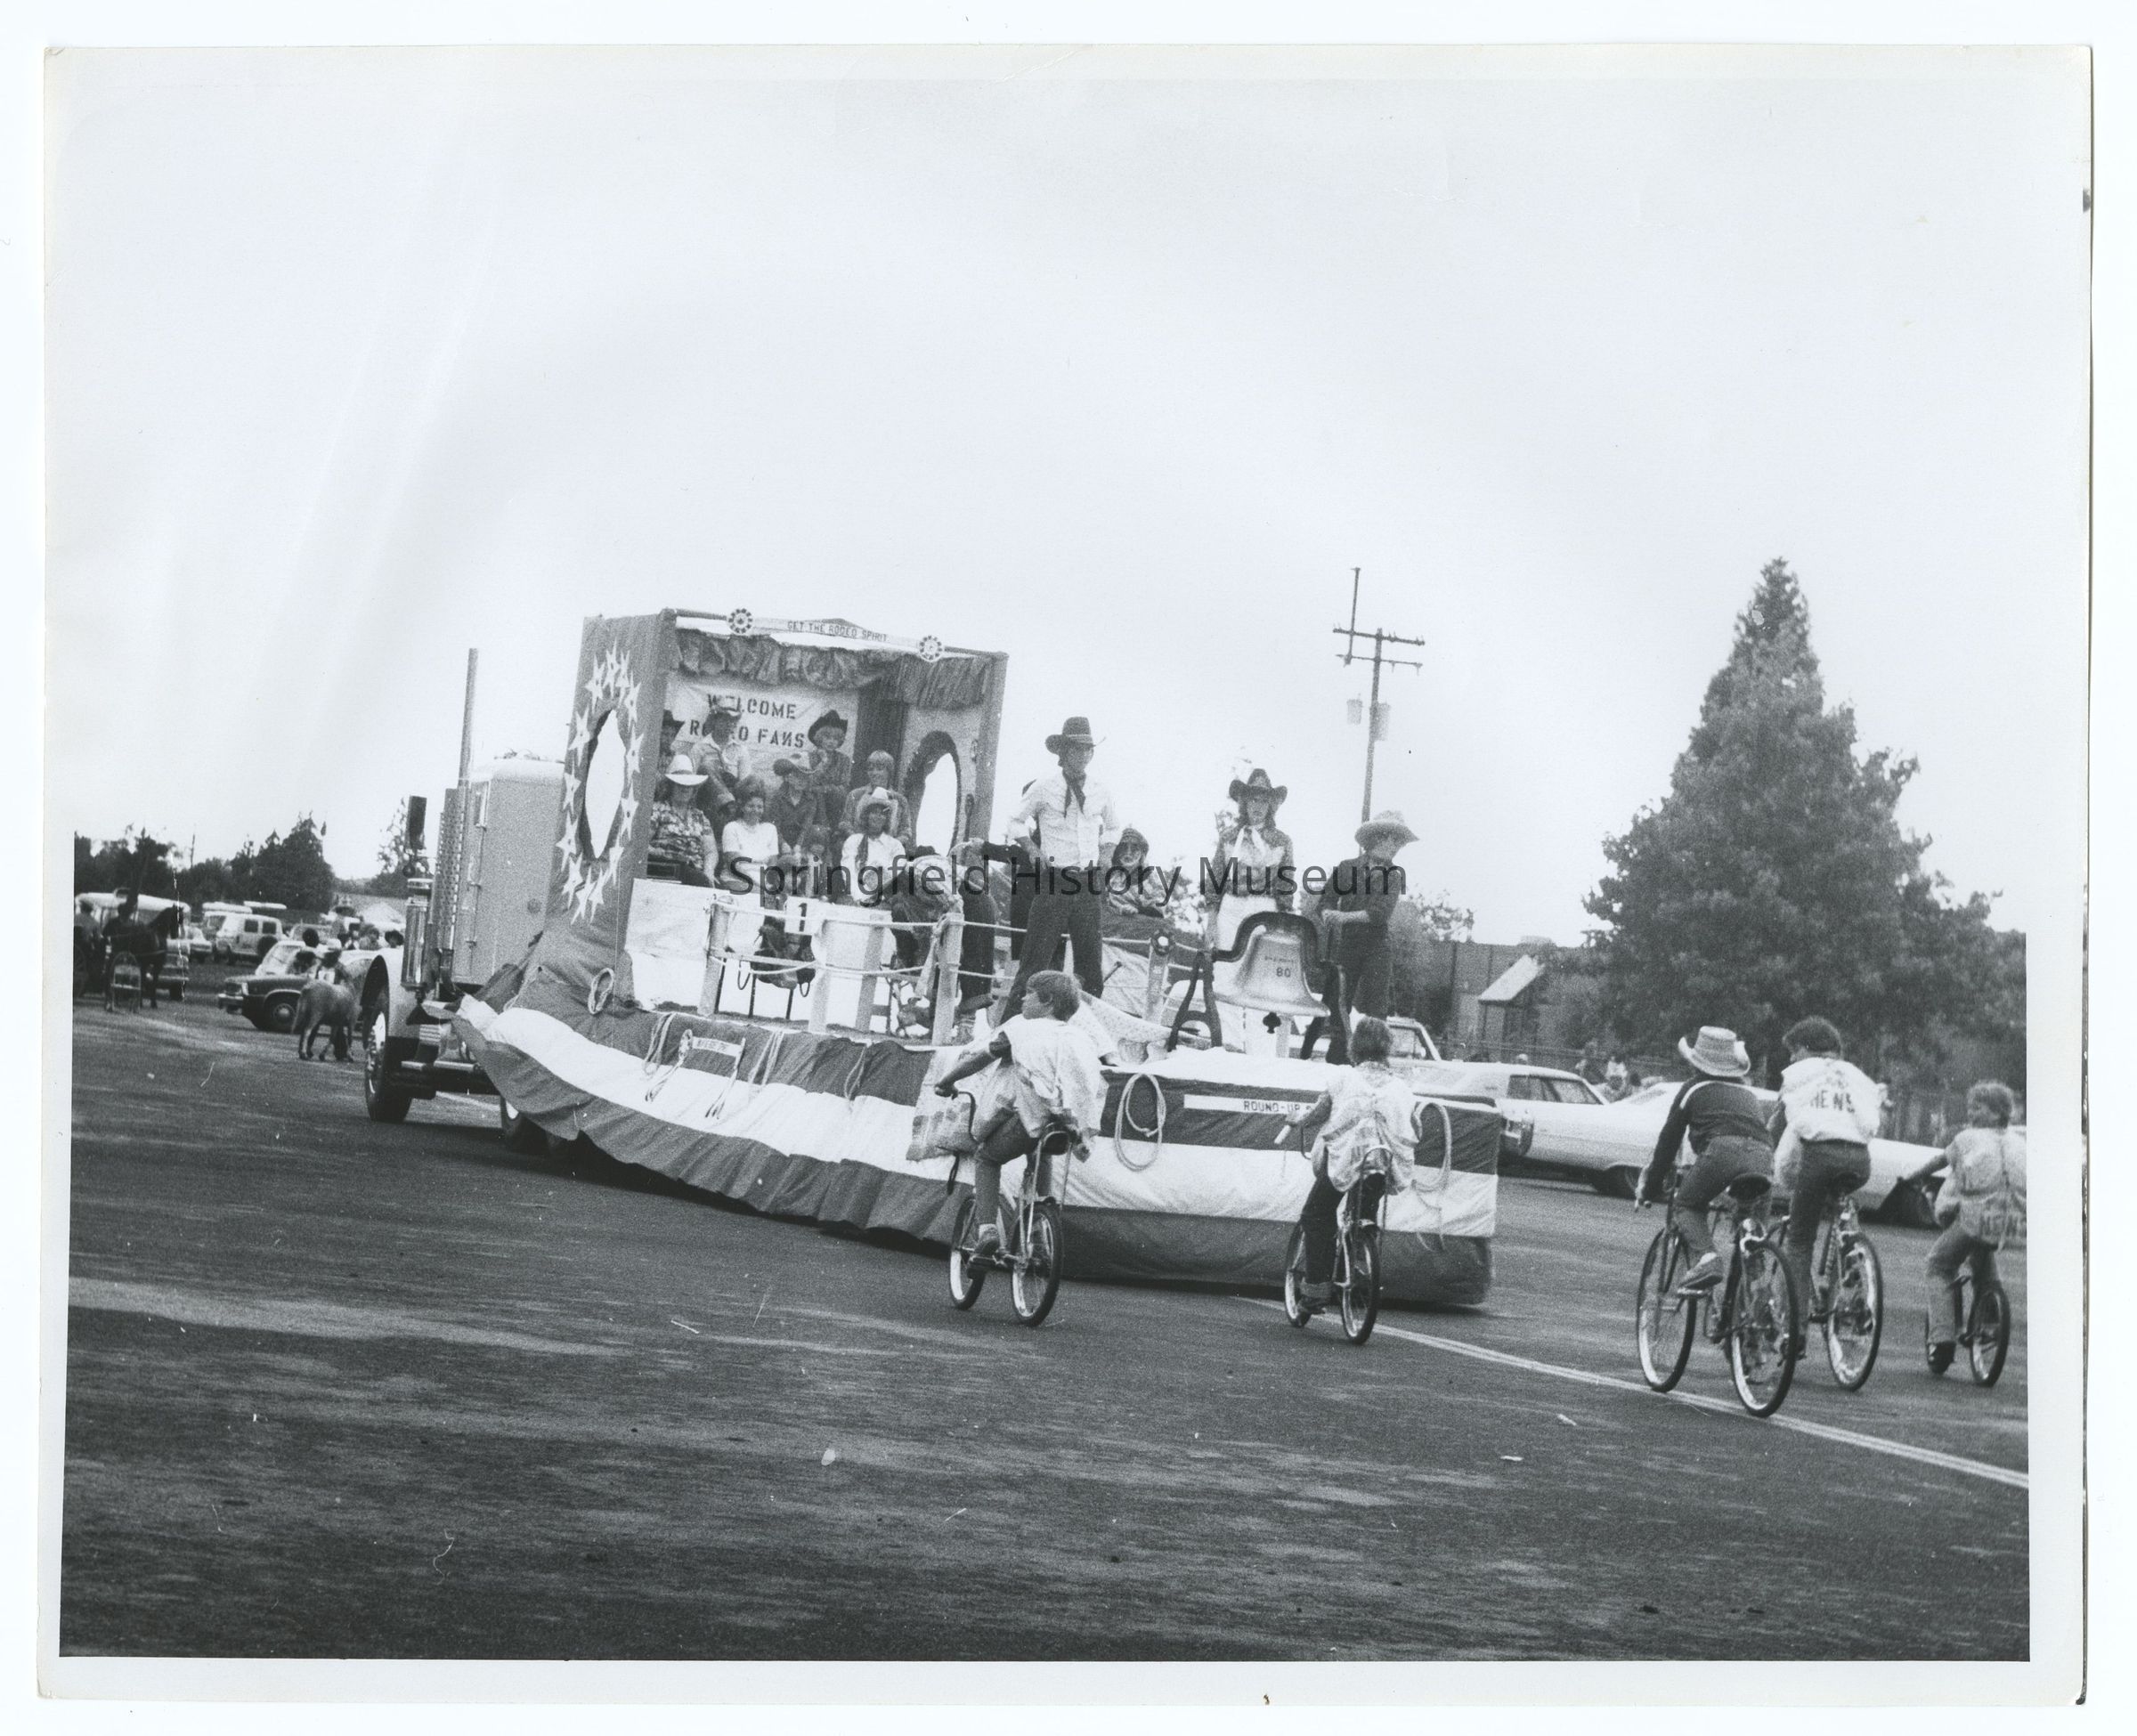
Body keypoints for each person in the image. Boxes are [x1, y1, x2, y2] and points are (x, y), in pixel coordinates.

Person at [931, 970, 1107, 1259]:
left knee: (987, 1158)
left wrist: (947, 1081)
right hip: (1069, 1128)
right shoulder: (1082, 1038)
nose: (1022, 998)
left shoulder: (1021, 1028)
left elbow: (979, 1059)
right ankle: (1038, 1227)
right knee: (1040, 1152)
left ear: (1047, 1001)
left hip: (1029, 1122)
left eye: (1029, 993)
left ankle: (987, 1231)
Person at [1279, 1017, 1418, 1312]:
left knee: (1317, 1215)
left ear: (1355, 1048)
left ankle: (1316, 1290)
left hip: (1344, 1162)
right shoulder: (1401, 1088)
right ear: (1386, 1049)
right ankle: (1352, 1270)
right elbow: (1414, 1126)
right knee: (1363, 1215)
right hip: (1381, 1164)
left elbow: (1318, 1113)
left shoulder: (1343, 1077)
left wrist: (1297, 1121)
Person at [1768, 1016, 1882, 1344]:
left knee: (1800, 1241)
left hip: (1819, 1158)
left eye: (1794, 1050)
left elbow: (1779, 1126)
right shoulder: (1858, 1076)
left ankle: (1795, 1330)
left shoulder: (1799, 1075)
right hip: (1859, 1159)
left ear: (1806, 1048)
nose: (1792, 1058)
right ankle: (1850, 1273)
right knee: (1841, 1215)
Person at [1636, 1026, 1774, 1294]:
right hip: (1763, 1153)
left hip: (1722, 1151)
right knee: (1750, 1231)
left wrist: (1651, 1187)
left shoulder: (1693, 1088)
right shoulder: (1747, 1093)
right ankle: (1753, 1293)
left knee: (1687, 1205)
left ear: (1695, 1063)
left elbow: (1668, 1143)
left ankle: (1707, 1258)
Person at [1905, 1081, 2026, 1373]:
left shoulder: (1967, 1138)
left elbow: (1939, 1161)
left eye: (1978, 1108)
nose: (1971, 1113)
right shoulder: (2019, 1142)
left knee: (1938, 1265)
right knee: (1983, 1264)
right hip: (2013, 1222)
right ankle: (1991, 1319)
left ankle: (1942, 1337)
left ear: (1998, 1113)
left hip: (1976, 1218)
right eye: (1970, 1107)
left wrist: (1913, 1176)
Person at [1003, 717, 1118, 1016]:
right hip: (1055, 880)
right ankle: (1007, 1030)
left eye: (1088, 749)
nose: (1084, 755)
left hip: (1088, 883)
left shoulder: (1100, 789)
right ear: (1064, 751)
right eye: (1078, 749)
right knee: (1034, 963)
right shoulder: (1044, 786)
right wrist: (1032, 849)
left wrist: (1107, 852)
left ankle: (1085, 1033)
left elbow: (1113, 827)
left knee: (1090, 968)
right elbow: (1014, 821)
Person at [1320, 810, 1416, 1020]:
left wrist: (1343, 917)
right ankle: (1336, 1042)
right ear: (1377, 837)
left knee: (1376, 1008)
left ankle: (1375, 1042)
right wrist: (1327, 912)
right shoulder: (1346, 867)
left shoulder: (1394, 876)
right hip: (1347, 944)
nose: (1396, 846)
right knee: (1338, 1001)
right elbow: (1327, 898)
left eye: (1399, 842)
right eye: (1392, 839)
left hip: (1377, 947)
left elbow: (1379, 914)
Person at [1207, 768, 1296, 951]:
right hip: (1232, 909)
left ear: (1271, 806)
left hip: (1265, 910)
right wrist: (1212, 923)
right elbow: (1215, 881)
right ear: (1245, 802)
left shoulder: (1282, 841)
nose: (1258, 806)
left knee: (1260, 964)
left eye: (1264, 801)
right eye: (1254, 800)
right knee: (1225, 962)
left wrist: (1283, 924)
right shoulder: (1229, 837)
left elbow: (1286, 887)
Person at [646, 751, 715, 885]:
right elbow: (642, 843)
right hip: (665, 869)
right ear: (671, 786)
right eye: (680, 784)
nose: (685, 789)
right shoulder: (657, 810)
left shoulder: (700, 817)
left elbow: (711, 851)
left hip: (696, 872)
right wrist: (655, 851)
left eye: (689, 786)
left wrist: (709, 871)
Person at [716, 778, 784, 897]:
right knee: (763, 897)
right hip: (737, 880)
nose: (755, 810)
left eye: (759, 807)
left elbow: (772, 863)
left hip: (764, 883)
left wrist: (770, 884)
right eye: (751, 806)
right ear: (742, 807)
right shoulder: (731, 828)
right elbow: (734, 866)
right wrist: (760, 886)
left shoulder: (770, 829)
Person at [686, 701, 747, 833]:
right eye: (725, 720)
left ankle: (731, 807)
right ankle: (728, 804)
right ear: (715, 720)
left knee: (755, 782)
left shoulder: (741, 750)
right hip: (707, 801)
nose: (729, 724)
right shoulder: (700, 747)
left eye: (733, 721)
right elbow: (690, 782)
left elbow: (745, 783)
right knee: (706, 767)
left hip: (734, 800)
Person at [839, 793, 907, 906]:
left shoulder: (895, 846)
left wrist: (868, 896)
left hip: (882, 899)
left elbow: (890, 874)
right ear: (867, 816)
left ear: (887, 819)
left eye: (882, 814)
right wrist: (858, 896)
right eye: (874, 812)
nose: (878, 817)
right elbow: (848, 870)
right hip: (854, 896)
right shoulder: (854, 840)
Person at [1102, 828, 1171, 929]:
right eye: (1123, 848)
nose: (1128, 852)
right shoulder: (1113, 878)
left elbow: (1159, 909)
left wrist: (1137, 910)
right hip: (1113, 926)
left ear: (1142, 853)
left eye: (1134, 849)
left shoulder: (1151, 877)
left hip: (1142, 927)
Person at [801, 710, 853, 833]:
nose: (831, 741)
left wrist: (823, 789)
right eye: (827, 737)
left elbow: (844, 788)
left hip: (834, 806)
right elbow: (808, 784)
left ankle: (833, 831)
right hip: (813, 807)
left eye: (835, 738)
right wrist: (823, 762)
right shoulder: (810, 757)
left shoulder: (844, 760)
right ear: (820, 738)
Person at [767, 758, 817, 850]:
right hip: (779, 839)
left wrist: (799, 845)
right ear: (787, 778)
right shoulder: (778, 798)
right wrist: (782, 843)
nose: (801, 781)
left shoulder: (810, 800)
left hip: (800, 841)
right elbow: (774, 825)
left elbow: (806, 826)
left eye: (805, 778)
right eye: (797, 776)